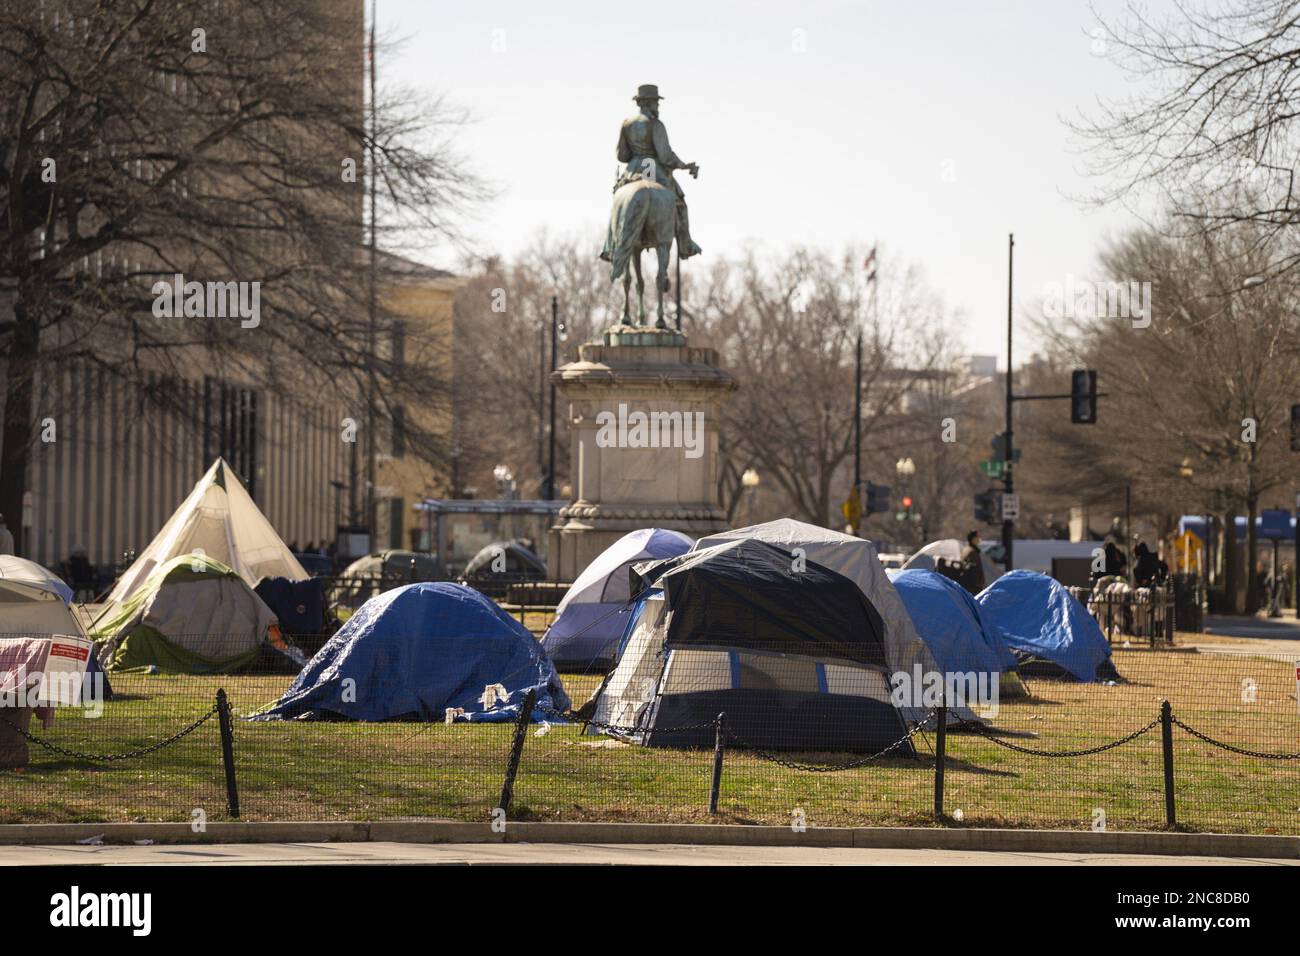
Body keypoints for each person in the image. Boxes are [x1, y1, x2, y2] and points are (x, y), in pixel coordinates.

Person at [601, 84, 702, 261]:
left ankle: (609, 247)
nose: (657, 107)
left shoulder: (626, 125)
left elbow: (622, 155)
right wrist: (684, 165)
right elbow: (665, 156)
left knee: (617, 199)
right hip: (655, 169)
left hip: (632, 171)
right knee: (679, 202)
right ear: (649, 103)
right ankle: (686, 245)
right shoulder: (656, 125)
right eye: (656, 103)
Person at [959, 529, 986, 594]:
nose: (979, 538)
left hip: (970, 584)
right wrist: (979, 582)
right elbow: (972, 569)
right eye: (977, 537)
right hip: (973, 586)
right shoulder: (972, 551)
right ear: (973, 538)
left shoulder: (967, 549)